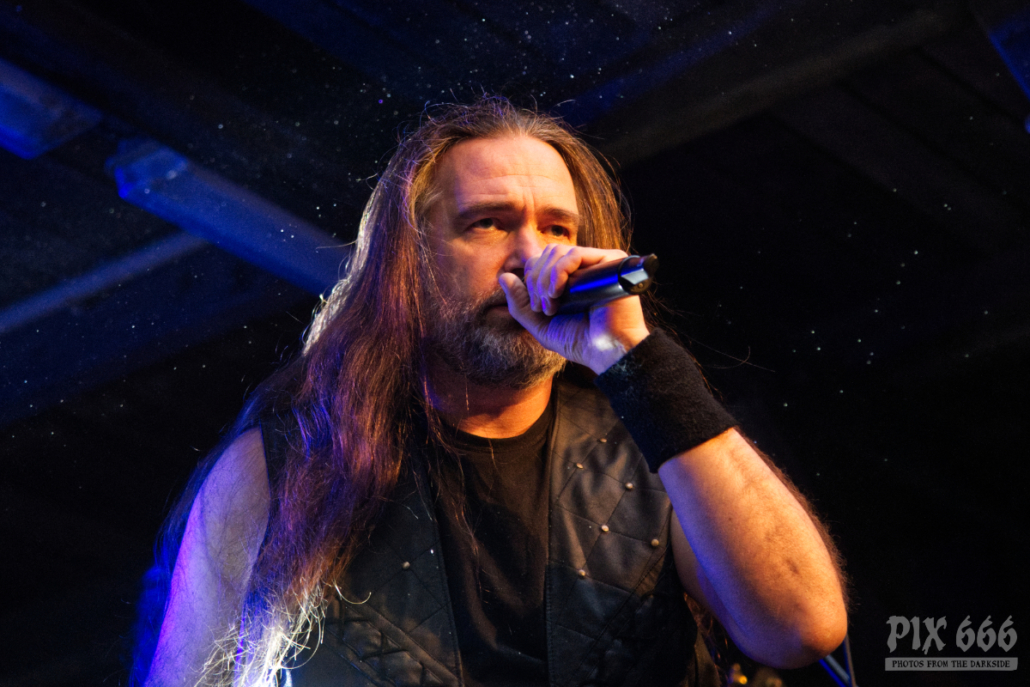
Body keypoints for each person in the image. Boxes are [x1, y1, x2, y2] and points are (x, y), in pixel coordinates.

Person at [134, 97, 847, 687]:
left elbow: (802, 626)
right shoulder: (281, 469)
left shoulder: (657, 450)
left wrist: (640, 361)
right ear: (409, 261)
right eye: (488, 224)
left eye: (557, 228)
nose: (534, 257)